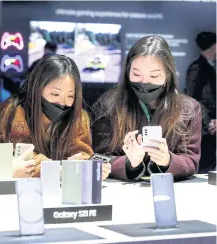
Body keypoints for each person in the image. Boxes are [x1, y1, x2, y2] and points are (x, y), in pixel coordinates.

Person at [92, 35, 202, 181]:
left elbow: (191, 161)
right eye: (136, 74)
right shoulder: (108, 105)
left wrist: (167, 160)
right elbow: (99, 157)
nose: (144, 82)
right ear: (127, 71)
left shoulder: (188, 109)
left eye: (154, 76)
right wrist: (129, 163)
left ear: (168, 75)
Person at [0, 54, 110, 179]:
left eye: (70, 96)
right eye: (55, 94)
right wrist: (59, 171)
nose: (63, 102)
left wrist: (88, 166)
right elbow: (22, 156)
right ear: (38, 88)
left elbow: (81, 150)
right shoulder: (14, 112)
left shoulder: (78, 117)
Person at [186, 32, 216, 172]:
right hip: (204, 129)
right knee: (204, 167)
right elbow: (193, 99)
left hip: (209, 127)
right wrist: (208, 122)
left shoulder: (207, 66)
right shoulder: (197, 68)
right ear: (214, 46)